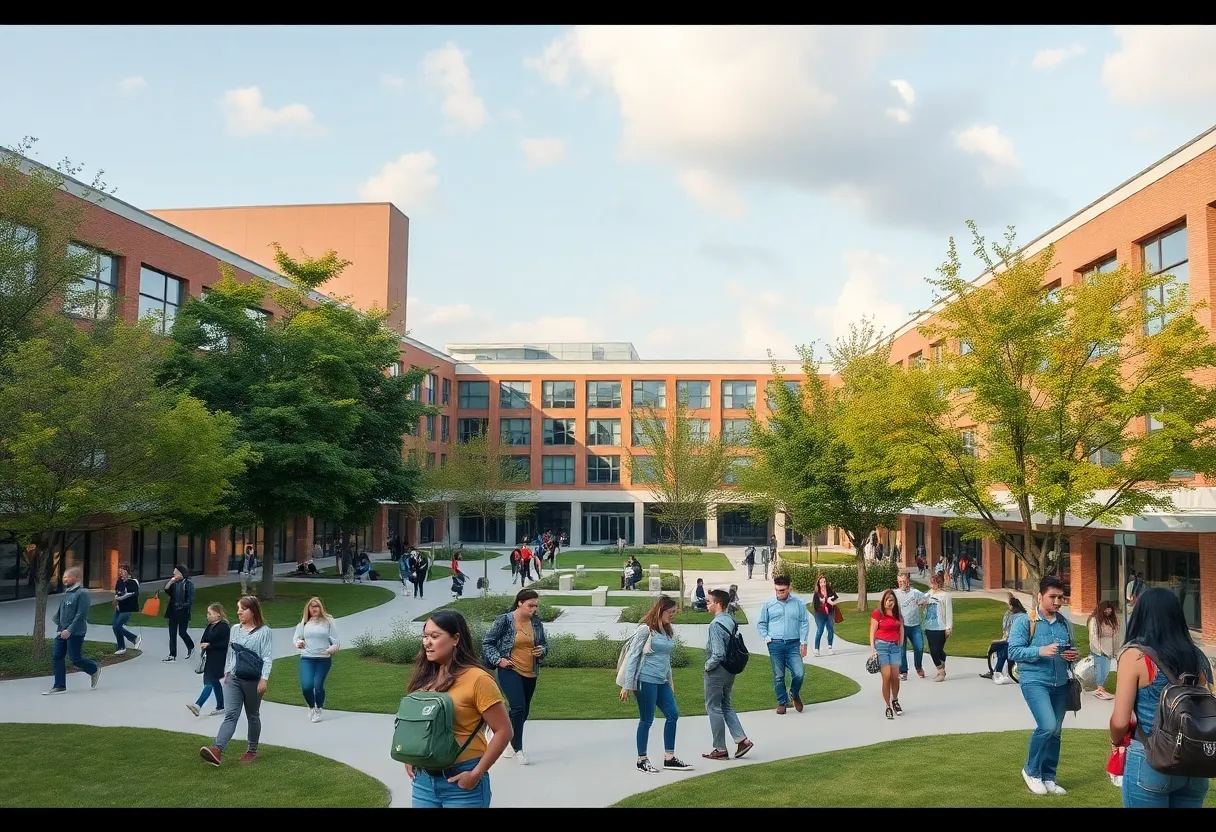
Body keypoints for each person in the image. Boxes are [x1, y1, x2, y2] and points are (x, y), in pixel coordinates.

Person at [1109, 586, 1213, 808]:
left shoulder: (1135, 656)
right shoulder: (1198, 656)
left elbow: (1120, 720)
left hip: (1150, 758)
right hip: (1194, 762)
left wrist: (1116, 741)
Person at [405, 610, 512, 807]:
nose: (427, 642)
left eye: (435, 636)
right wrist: (411, 755)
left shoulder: (478, 679)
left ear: (455, 639)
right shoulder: (424, 678)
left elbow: (504, 731)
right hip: (423, 783)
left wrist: (476, 774)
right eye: (425, 636)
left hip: (463, 783)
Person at [1007, 575, 1079, 796]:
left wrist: (1072, 655)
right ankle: (1031, 771)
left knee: (1056, 732)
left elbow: (1072, 650)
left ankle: (1049, 777)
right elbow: (1013, 651)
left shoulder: (1064, 622)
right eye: (1053, 597)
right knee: (1047, 725)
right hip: (1034, 680)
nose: (1057, 602)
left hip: (1061, 682)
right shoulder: (1024, 621)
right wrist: (1040, 650)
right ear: (1040, 597)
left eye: (1061, 597)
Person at [616, 595, 694, 774]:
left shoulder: (666, 631)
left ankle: (669, 758)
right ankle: (641, 760)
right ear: (661, 610)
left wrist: (670, 682)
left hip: (661, 681)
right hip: (645, 680)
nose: (672, 615)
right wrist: (627, 685)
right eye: (670, 612)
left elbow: (666, 659)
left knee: (673, 714)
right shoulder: (645, 630)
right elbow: (633, 657)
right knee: (647, 719)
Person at [200, 595, 274, 766]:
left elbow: (267, 657)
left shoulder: (264, 632)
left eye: (243, 608)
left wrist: (264, 679)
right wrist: (227, 673)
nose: (239, 611)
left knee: (252, 715)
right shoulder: (234, 629)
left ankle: (252, 750)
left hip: (253, 680)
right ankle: (217, 750)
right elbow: (231, 653)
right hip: (233, 678)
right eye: (238, 608)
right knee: (231, 715)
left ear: (253, 611)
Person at [481, 589, 549, 766]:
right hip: (510, 669)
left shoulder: (536, 622)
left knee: (524, 711)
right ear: (520, 602)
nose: (533, 609)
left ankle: (503, 734)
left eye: (536, 606)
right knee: (517, 707)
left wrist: (541, 650)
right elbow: (488, 642)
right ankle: (518, 748)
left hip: (531, 671)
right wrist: (498, 659)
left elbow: (544, 645)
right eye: (530, 605)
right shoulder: (505, 620)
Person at [702, 589, 754, 761]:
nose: (706, 603)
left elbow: (717, 653)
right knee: (726, 705)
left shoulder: (716, 625)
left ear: (718, 604)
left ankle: (720, 748)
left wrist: (707, 666)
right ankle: (742, 740)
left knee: (713, 707)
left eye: (709, 601)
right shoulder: (730, 620)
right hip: (730, 671)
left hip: (717, 671)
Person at [756, 574, 810, 714]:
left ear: (789, 588)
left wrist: (803, 642)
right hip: (775, 644)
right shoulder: (769, 604)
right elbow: (762, 623)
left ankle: (794, 693)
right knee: (779, 675)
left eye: (783, 590)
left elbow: (804, 622)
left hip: (793, 643)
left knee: (799, 673)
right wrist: (767, 638)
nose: (780, 593)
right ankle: (782, 702)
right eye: (777, 590)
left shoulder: (798, 604)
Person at [43, 566, 101, 695]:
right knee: (57, 656)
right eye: (63, 577)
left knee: (75, 659)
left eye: (67, 577)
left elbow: (81, 614)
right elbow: (61, 613)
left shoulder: (82, 593)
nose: (64, 579)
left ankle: (93, 668)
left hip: (76, 632)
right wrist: (60, 629)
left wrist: (69, 630)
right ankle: (59, 685)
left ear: (75, 578)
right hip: (62, 631)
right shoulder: (67, 593)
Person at [293, 596, 340, 723]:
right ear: (308, 608)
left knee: (318, 685)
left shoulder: (328, 621)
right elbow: (296, 638)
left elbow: (336, 641)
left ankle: (318, 708)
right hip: (307, 658)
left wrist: (331, 649)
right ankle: (311, 706)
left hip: (323, 659)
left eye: (317, 606)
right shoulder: (304, 622)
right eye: (312, 606)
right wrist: (299, 643)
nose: (314, 609)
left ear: (321, 608)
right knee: (307, 686)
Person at [869, 589, 905, 720]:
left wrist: (900, 644)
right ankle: (887, 705)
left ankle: (895, 700)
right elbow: (872, 632)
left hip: (895, 647)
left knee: (895, 676)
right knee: (887, 675)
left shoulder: (897, 614)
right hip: (882, 646)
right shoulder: (877, 613)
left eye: (892, 601)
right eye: (888, 600)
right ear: (883, 601)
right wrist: (873, 649)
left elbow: (901, 629)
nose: (890, 603)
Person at [189, 603, 230, 717]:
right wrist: (204, 643)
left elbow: (224, 644)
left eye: (210, 613)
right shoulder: (210, 626)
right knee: (215, 683)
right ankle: (221, 706)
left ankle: (198, 705)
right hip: (209, 657)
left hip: (218, 658)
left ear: (217, 614)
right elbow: (204, 638)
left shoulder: (224, 627)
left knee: (210, 682)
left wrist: (209, 645)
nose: (207, 615)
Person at [980, 595, 1026, 684]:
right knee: (997, 647)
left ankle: (997, 671)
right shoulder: (1009, 614)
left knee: (1003, 649)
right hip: (1007, 639)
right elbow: (1005, 630)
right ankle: (996, 671)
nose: (1009, 608)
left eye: (1010, 606)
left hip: (1015, 641)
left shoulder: (1022, 617)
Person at [893, 572, 928, 681]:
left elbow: (925, 600)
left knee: (919, 647)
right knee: (901, 650)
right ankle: (903, 671)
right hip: (901, 627)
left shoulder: (915, 593)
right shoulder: (895, 594)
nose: (901, 584)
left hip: (915, 625)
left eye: (903, 581)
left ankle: (918, 667)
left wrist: (922, 604)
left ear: (908, 581)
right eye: (899, 581)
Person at [922, 572, 953, 681]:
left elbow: (949, 611)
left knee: (936, 649)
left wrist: (948, 627)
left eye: (934, 583)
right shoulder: (929, 593)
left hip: (941, 627)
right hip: (929, 626)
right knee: (933, 649)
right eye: (931, 583)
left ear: (939, 583)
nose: (932, 585)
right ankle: (941, 665)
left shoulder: (945, 595)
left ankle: (941, 671)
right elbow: (921, 602)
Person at [162, 565, 195, 663]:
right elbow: (166, 590)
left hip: (183, 612)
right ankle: (172, 655)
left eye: (175, 572)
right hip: (172, 612)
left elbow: (190, 600)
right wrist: (171, 581)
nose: (173, 573)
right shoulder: (174, 584)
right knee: (172, 634)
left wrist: (182, 605)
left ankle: (191, 646)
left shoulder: (188, 585)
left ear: (181, 573)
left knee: (182, 632)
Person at [1088, 600, 1119, 700]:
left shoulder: (1111, 620)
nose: (1108, 611)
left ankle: (1101, 688)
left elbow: (1114, 637)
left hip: (1108, 649)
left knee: (1106, 669)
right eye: (1106, 609)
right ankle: (1099, 689)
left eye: (1110, 610)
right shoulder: (1095, 620)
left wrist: (1115, 651)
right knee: (1100, 668)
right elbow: (1094, 636)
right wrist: (1099, 650)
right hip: (1098, 649)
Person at [111, 563, 141, 654]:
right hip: (119, 607)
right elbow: (117, 591)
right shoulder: (119, 580)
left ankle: (131, 640)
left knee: (117, 626)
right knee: (114, 626)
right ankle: (125, 645)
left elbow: (134, 593)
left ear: (128, 572)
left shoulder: (133, 581)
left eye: (123, 571)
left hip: (128, 607)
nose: (121, 573)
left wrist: (121, 597)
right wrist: (116, 600)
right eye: (120, 571)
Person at [810, 573, 839, 657]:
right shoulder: (817, 593)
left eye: (824, 582)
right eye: (821, 582)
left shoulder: (830, 591)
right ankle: (816, 649)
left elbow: (837, 599)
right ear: (818, 584)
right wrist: (821, 602)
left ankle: (830, 647)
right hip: (819, 614)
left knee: (830, 629)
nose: (823, 584)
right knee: (820, 630)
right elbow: (815, 606)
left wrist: (831, 602)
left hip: (829, 613)